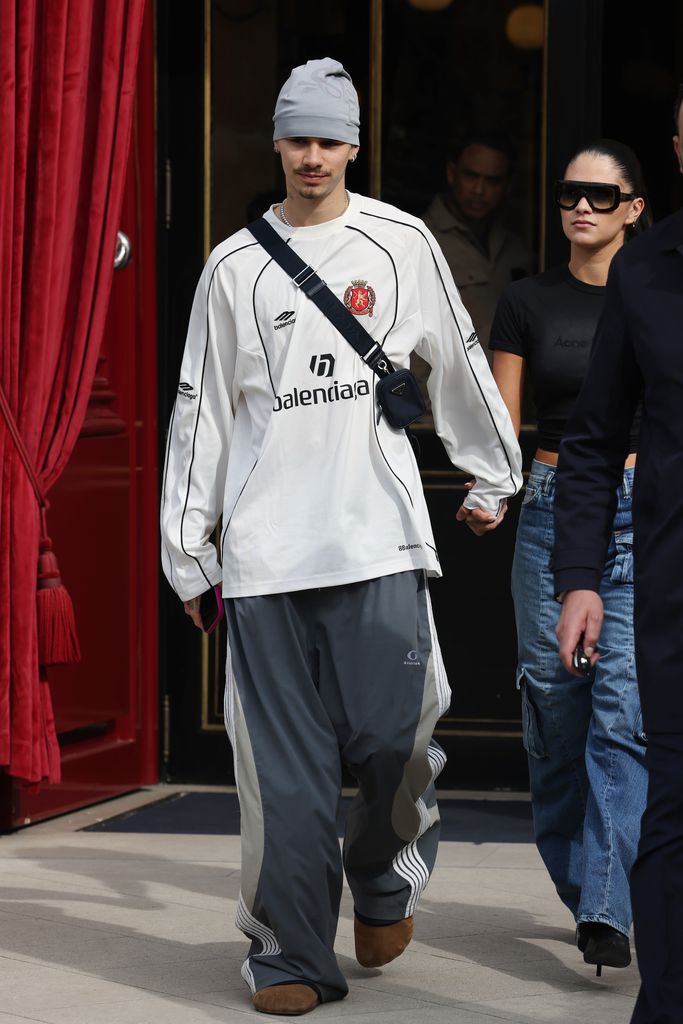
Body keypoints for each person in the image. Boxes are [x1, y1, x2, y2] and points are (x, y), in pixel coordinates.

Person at [160, 57, 522, 1017]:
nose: (312, 156)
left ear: (353, 145)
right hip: (267, 555)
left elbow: (455, 356)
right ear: (276, 144)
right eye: (297, 138)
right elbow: (202, 413)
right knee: (281, 779)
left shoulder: (400, 243)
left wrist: (493, 470)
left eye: (329, 139)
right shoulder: (233, 266)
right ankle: (287, 958)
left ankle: (385, 876)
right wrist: (188, 549)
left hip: (378, 541)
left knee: (392, 744)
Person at [490, 139, 649, 974]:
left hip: (644, 512)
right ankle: (587, 885)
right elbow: (500, 423)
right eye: (566, 194)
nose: (579, 206)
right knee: (556, 715)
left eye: (599, 194)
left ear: (634, 207)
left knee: (623, 715)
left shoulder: (658, 292)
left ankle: (604, 907)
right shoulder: (526, 301)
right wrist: (488, 488)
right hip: (552, 509)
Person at [554, 91, 683, 1024]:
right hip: (675, 587)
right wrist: (581, 578)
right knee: (671, 805)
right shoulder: (645, 271)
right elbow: (594, 440)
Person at [423, 132, 531, 364]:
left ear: (508, 185)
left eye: (492, 181)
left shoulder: (515, 248)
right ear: (452, 173)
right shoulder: (421, 240)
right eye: (471, 176)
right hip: (448, 394)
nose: (479, 190)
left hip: (508, 391)